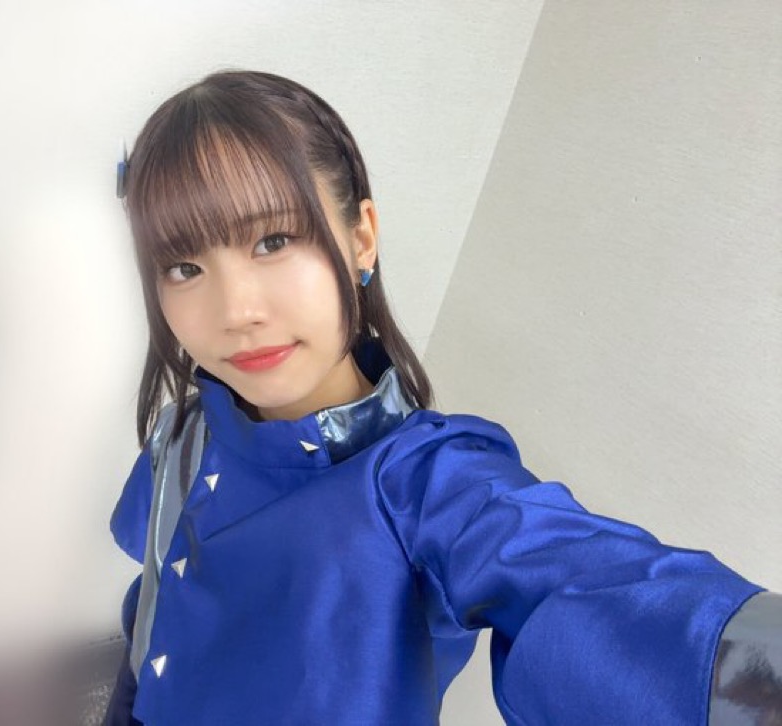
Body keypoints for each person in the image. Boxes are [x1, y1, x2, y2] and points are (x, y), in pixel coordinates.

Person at [103, 70, 781, 725]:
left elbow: (582, 582)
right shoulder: (182, 435)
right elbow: (155, 620)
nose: (235, 311)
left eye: (272, 241)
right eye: (184, 267)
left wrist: (755, 676)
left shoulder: (429, 486)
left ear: (361, 238)